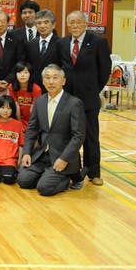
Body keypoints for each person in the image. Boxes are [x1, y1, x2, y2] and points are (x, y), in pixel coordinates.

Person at [59, 11, 110, 186]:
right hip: (67, 98)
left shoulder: (98, 42)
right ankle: (72, 170)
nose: (75, 26)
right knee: (67, 135)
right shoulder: (62, 43)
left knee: (90, 136)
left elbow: (104, 71)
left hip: (88, 99)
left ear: (85, 24)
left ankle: (93, 172)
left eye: (78, 22)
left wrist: (93, 90)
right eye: (71, 22)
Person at [18, 64, 86, 196]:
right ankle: (48, 175)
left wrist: (64, 159)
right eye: (47, 78)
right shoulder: (39, 101)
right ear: (43, 81)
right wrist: (26, 152)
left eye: (55, 78)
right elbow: (31, 129)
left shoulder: (74, 103)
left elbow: (78, 136)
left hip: (62, 156)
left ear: (63, 81)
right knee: (23, 180)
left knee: (44, 188)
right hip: (43, 155)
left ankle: (68, 177)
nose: (51, 82)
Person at [0, 95, 23, 184]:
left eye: (9, 108)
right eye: (2, 108)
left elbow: (21, 144)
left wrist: (19, 160)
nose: (5, 111)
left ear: (13, 110)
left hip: (10, 159)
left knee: (9, 179)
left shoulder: (18, 124)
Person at [25, 9, 61, 91]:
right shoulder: (30, 44)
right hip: (34, 87)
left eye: (46, 22)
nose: (42, 26)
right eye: (39, 23)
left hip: (53, 86)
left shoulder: (61, 43)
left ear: (53, 25)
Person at [9, 62, 42, 129]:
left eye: (25, 72)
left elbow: (33, 110)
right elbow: (16, 106)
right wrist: (19, 124)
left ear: (30, 74)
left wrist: (31, 126)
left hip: (33, 120)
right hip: (18, 119)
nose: (22, 75)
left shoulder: (36, 89)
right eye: (19, 72)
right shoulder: (11, 87)